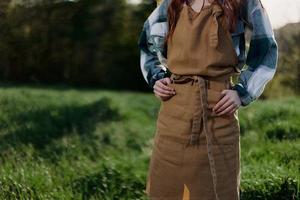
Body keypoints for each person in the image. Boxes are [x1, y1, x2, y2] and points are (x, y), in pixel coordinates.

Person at [138, 0, 278, 199]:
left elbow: (266, 48)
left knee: (216, 191)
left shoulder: (243, 2)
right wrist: (157, 78)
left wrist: (242, 91)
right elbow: (147, 45)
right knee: (167, 190)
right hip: (174, 113)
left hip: (218, 111)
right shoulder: (171, 4)